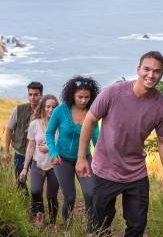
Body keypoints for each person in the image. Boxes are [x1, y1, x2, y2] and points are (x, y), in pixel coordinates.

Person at [76, 51, 163, 237]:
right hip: (105, 171)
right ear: (138, 70)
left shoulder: (161, 107)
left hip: (136, 174)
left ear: (161, 74)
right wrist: (81, 157)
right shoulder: (114, 92)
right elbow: (89, 120)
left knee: (137, 226)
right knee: (99, 226)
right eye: (147, 69)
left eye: (156, 71)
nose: (151, 75)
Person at [46, 76, 100, 234]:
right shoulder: (60, 111)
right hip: (62, 160)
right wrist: (53, 152)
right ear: (72, 95)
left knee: (90, 195)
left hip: (85, 159)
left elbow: (97, 137)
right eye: (80, 97)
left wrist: (103, 155)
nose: (84, 100)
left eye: (87, 97)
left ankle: (90, 231)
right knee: (69, 198)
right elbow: (49, 133)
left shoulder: (92, 113)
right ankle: (67, 230)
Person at [19, 95, 59, 230]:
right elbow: (30, 146)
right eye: (48, 106)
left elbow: (64, 144)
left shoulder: (60, 124)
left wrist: (50, 146)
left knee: (52, 196)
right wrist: (25, 168)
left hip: (55, 165)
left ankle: (53, 223)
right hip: (38, 163)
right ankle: (39, 215)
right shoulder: (35, 124)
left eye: (54, 107)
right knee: (36, 191)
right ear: (43, 107)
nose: (51, 110)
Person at [4, 81, 43, 194]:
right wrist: (6, 151)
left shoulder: (46, 112)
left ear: (41, 95)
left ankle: (36, 205)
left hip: (37, 154)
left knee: (38, 182)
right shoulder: (18, 110)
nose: (33, 97)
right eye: (30, 94)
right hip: (20, 152)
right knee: (20, 181)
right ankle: (23, 201)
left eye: (36, 94)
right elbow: (9, 130)